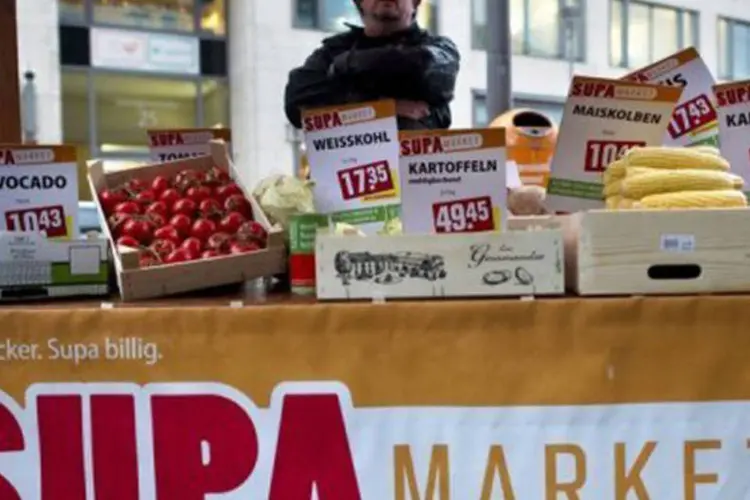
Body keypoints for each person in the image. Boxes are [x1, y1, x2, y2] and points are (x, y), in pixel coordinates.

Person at [284, 0, 460, 131]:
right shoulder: (331, 51)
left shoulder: (439, 49)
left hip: (417, 176)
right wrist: (383, 109)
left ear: (415, 3)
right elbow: (298, 102)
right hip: (346, 173)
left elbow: (425, 67)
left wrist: (345, 65)